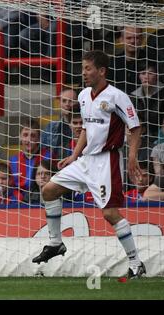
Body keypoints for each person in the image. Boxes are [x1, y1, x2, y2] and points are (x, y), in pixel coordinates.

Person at [32, 50, 146, 279]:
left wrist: (132, 157)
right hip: (85, 160)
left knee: (110, 213)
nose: (83, 73)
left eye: (88, 68)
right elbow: (85, 128)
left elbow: (135, 127)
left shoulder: (116, 96)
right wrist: (75, 155)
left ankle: (136, 263)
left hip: (107, 161)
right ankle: (56, 244)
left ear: (101, 71)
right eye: (83, 68)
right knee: (49, 190)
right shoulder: (83, 95)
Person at [9, 117, 51, 203]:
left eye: (33, 136)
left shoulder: (48, 156)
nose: (29, 140)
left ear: (39, 139)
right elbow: (11, 186)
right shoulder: (13, 160)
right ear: (20, 137)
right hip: (19, 202)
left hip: (42, 199)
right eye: (25, 135)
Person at [41, 88, 77, 159]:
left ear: (77, 102)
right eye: (64, 101)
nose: (67, 104)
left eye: (71, 101)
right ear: (59, 103)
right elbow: (43, 151)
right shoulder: (50, 127)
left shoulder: (84, 127)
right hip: (55, 167)